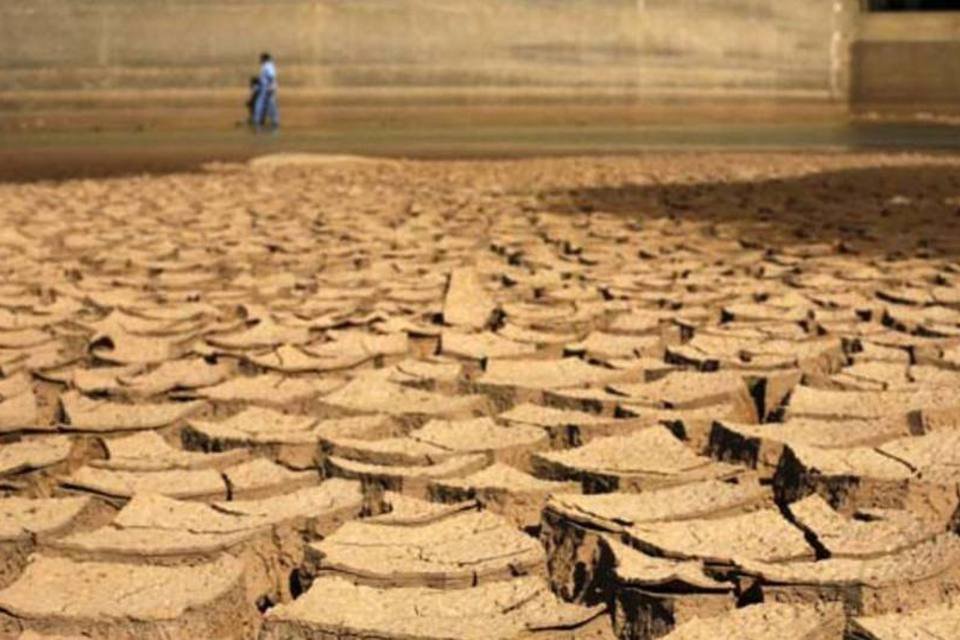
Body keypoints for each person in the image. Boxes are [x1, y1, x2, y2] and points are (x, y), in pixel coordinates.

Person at [253, 52, 279, 132]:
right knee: (264, 104)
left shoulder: (268, 66)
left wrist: (270, 87)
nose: (260, 60)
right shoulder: (267, 66)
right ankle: (260, 120)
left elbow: (271, 76)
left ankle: (271, 121)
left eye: (261, 58)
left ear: (264, 59)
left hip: (268, 88)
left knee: (268, 105)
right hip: (266, 88)